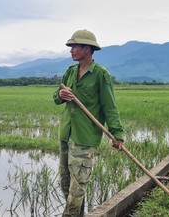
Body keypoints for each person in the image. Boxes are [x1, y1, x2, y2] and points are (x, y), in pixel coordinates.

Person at [53, 29, 124, 217]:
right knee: (66, 184)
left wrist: (117, 135)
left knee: (78, 187)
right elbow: (56, 97)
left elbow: (110, 107)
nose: (71, 50)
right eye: (71, 46)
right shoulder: (70, 72)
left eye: (75, 46)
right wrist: (61, 94)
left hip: (85, 138)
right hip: (66, 134)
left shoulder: (101, 74)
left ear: (87, 49)